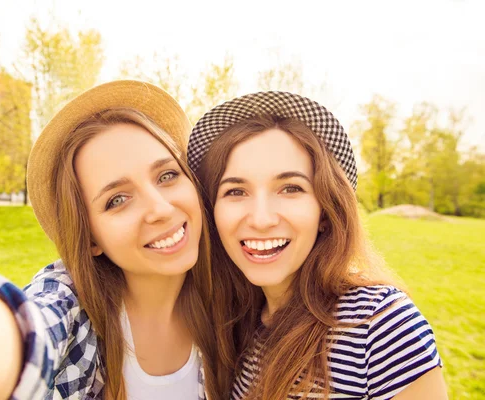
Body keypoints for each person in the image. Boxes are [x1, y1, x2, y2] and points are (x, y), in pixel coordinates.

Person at [0, 81, 228, 400]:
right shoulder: (69, 307)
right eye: (117, 199)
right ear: (91, 238)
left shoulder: (235, 302)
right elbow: (20, 328)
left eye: (167, 175)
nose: (160, 208)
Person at [187, 91, 447, 399]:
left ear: (325, 210)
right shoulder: (233, 325)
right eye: (236, 191)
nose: (261, 218)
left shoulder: (380, 325)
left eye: (290, 188)